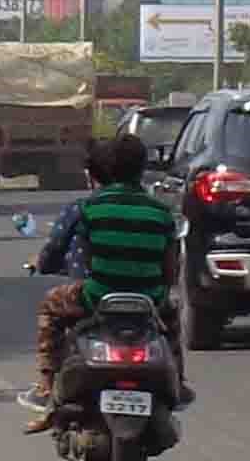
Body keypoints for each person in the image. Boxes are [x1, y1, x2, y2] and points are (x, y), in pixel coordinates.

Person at [28, 128, 183, 414]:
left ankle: (47, 385)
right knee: (172, 319)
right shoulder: (161, 213)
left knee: (50, 307)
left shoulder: (89, 208)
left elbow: (85, 257)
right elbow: (170, 270)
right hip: (149, 299)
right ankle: (179, 383)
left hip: (98, 296)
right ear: (141, 169)